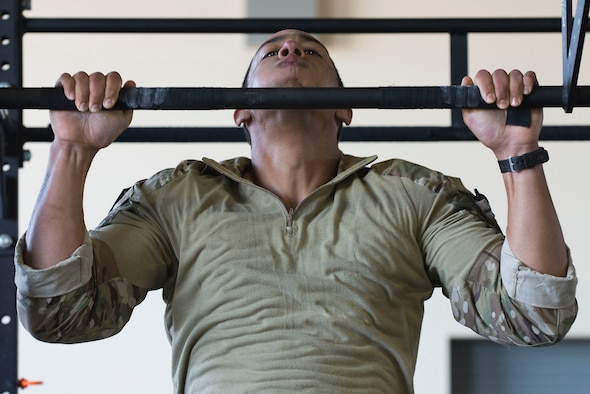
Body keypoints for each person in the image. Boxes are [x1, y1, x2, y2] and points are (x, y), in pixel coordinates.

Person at [15, 29, 577, 393]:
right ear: (239, 110)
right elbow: (58, 311)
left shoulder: (414, 193)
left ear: (344, 108)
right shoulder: (178, 196)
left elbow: (533, 315)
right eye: (272, 51)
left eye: (310, 52)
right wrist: (72, 148)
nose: (290, 49)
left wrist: (516, 152)